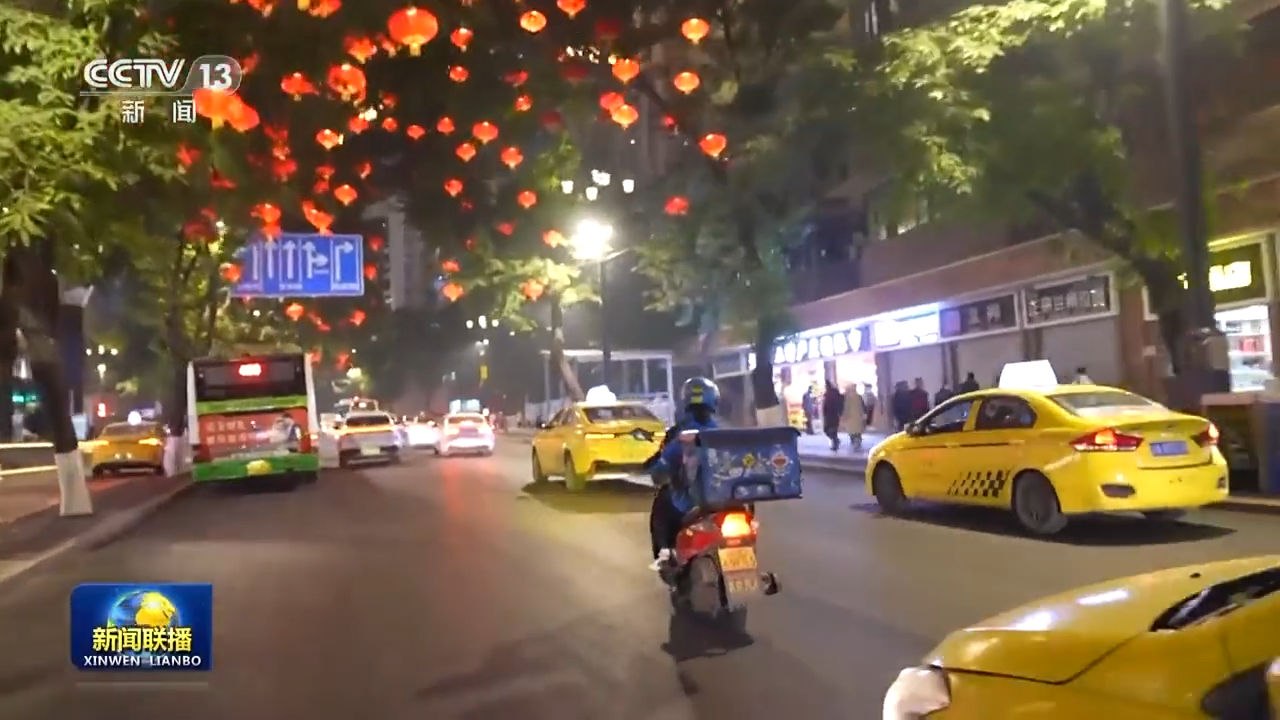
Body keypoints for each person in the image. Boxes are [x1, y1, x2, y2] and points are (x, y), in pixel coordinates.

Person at [647, 376, 721, 570]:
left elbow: (661, 468)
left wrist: (656, 468)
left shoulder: (683, 436)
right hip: (725, 499)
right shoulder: (721, 432)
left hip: (692, 503)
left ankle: (666, 553)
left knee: (663, 501)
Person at [842, 382, 867, 451]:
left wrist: (844, 416)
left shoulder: (848, 397)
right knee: (858, 430)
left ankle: (854, 442)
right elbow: (863, 406)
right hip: (858, 417)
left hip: (850, 417)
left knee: (852, 431)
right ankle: (858, 441)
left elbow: (846, 408)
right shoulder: (859, 396)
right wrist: (864, 414)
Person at [822, 380, 845, 451]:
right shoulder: (833, 392)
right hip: (833, 414)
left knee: (829, 430)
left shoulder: (830, 393)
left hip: (831, 414)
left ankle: (835, 444)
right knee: (832, 430)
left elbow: (827, 404)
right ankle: (836, 441)